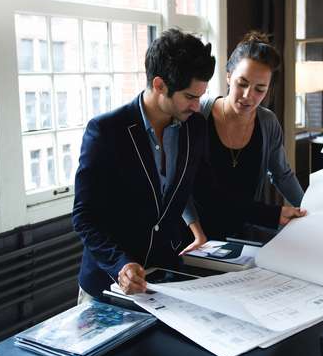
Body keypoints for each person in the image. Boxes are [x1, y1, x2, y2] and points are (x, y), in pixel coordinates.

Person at [72, 29, 215, 299]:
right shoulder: (105, 131)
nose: (197, 106)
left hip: (166, 280)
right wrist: (120, 264)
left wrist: (273, 215)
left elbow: (205, 190)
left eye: (200, 96)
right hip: (107, 284)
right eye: (189, 97)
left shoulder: (194, 127)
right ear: (159, 85)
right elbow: (84, 217)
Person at [187, 31, 306, 242]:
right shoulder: (197, 116)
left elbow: (282, 175)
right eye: (242, 83)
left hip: (243, 232)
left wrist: (310, 212)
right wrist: (197, 233)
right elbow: (183, 186)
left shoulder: (268, 122)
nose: (247, 96)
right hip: (195, 236)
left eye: (260, 89)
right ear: (228, 76)